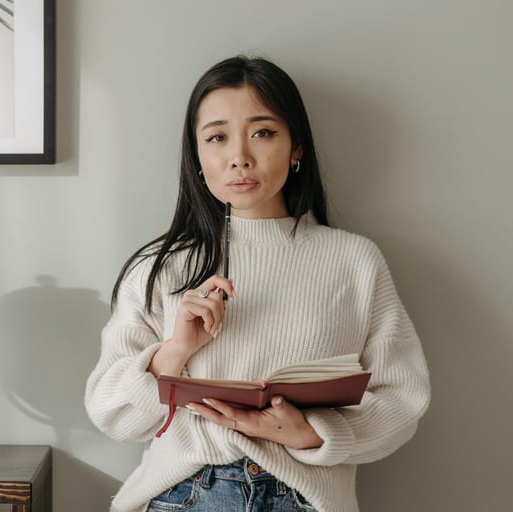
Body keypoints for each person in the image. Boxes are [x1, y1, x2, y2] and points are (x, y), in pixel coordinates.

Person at [85, 55, 431, 512]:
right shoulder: (161, 267)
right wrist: (174, 352)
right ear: (198, 156)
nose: (240, 157)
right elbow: (112, 414)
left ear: (296, 147)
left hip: (304, 496)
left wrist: (310, 434)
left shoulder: (354, 261)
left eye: (262, 132)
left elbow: (402, 399)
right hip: (185, 494)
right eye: (217, 137)